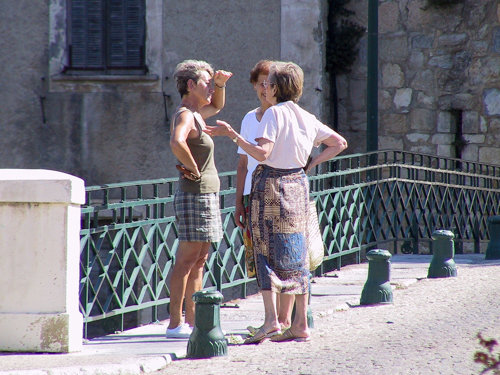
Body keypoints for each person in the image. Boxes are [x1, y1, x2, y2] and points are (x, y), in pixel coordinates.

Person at [204, 61, 348, 343]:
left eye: (269, 83)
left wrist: (233, 135)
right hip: (298, 185)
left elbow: (261, 153)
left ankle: (271, 321)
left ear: (278, 87)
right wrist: (312, 162)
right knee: (297, 253)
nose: (265, 87)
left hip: (270, 186)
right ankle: (300, 324)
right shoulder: (306, 116)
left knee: (266, 252)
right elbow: (339, 143)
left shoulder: (273, 114)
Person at [167, 60, 232, 338]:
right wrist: (193, 168)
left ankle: (193, 322)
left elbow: (217, 106)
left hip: (206, 194)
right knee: (186, 260)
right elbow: (176, 141)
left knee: (199, 259)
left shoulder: (197, 114)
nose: (209, 89)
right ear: (190, 85)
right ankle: (174, 324)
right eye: (205, 83)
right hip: (195, 195)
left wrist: (219, 85)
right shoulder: (185, 114)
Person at [236, 60, 294, 334]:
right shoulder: (250, 118)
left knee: (287, 254)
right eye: (260, 82)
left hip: (280, 192)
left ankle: (283, 319)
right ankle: (273, 319)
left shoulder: (285, 115)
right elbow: (242, 163)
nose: (264, 88)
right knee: (260, 256)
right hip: (252, 194)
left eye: (268, 83)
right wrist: (238, 199)